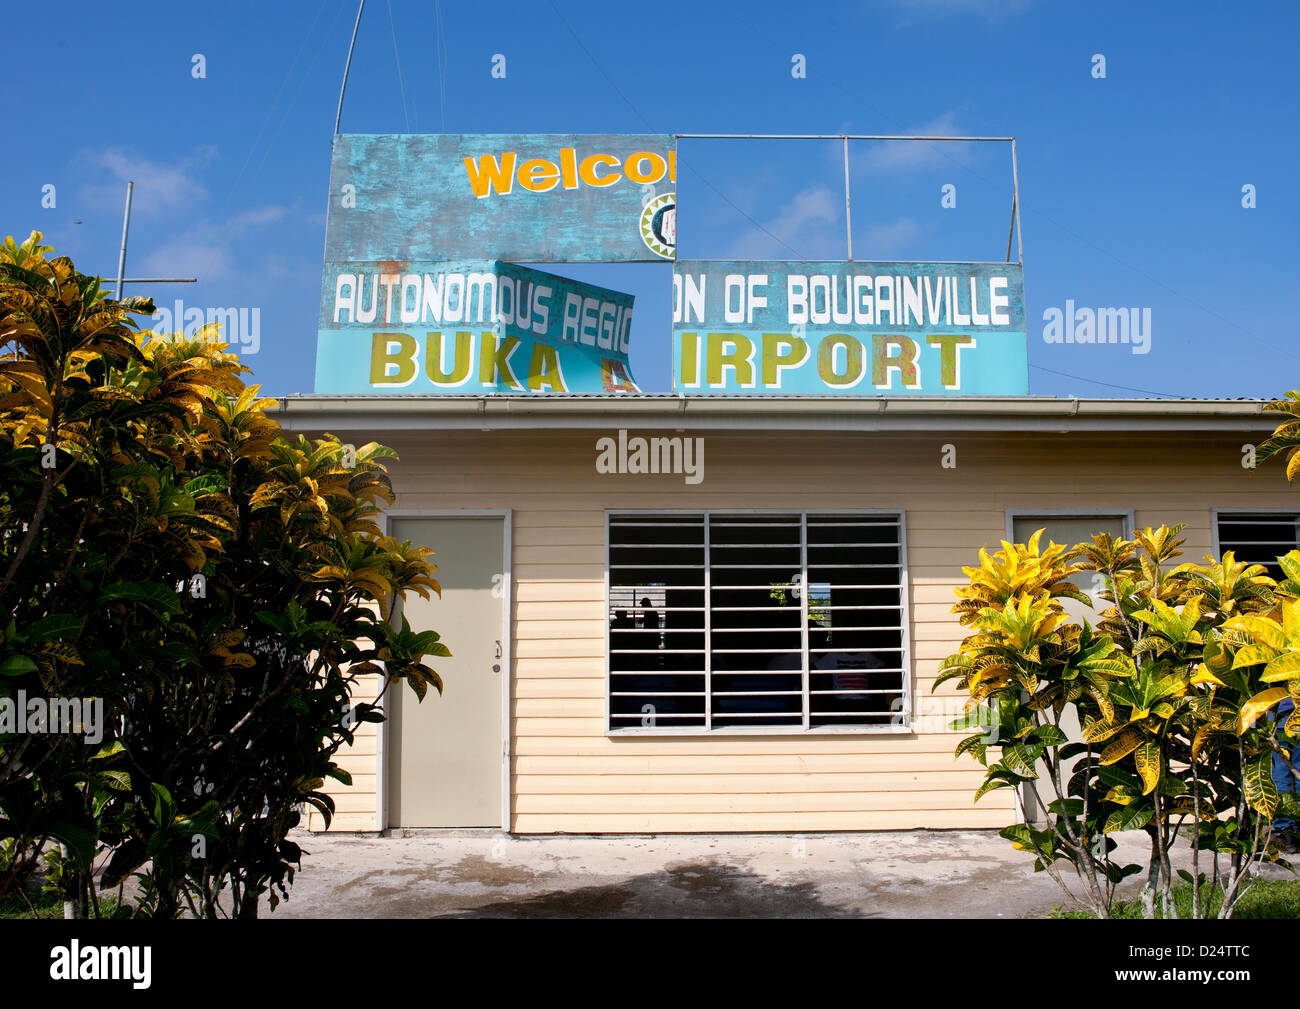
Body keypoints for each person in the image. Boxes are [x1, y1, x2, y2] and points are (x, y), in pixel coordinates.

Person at [1271, 696, 1300, 852]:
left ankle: (1284, 830)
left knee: (1280, 776)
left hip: (1279, 721)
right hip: (1284, 721)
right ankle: (1290, 829)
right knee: (1288, 776)